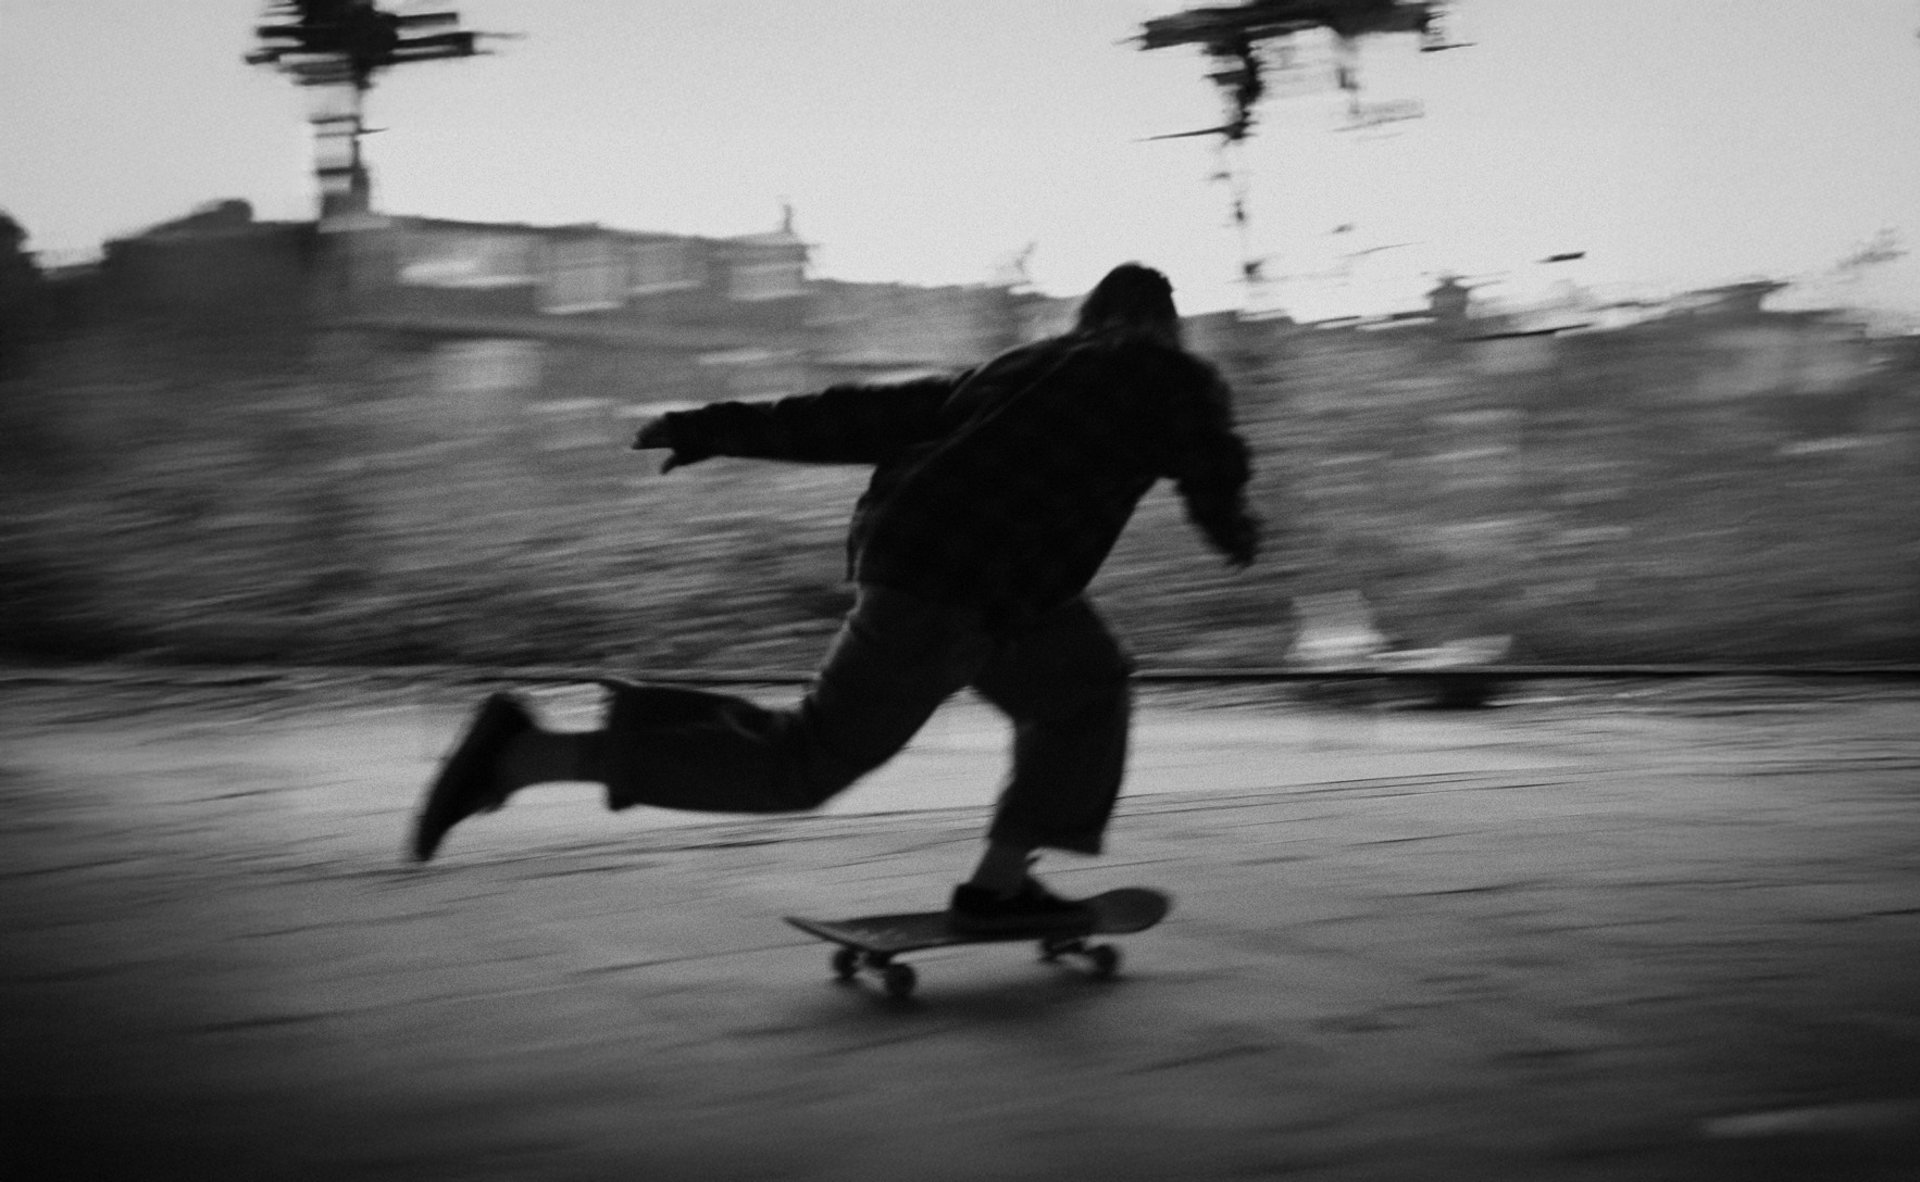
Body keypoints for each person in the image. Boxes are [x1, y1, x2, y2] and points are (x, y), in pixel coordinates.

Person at [408, 262, 1261, 934]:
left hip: (945, 565)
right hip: (956, 587)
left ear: (1086, 322)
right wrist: (1232, 529)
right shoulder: (1175, 378)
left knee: (1086, 684)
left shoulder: (1017, 368)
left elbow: (861, 415)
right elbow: (1213, 465)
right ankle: (525, 755)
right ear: (1166, 325)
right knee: (801, 765)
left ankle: (1002, 885)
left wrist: (717, 427)